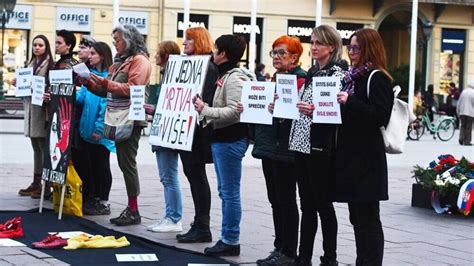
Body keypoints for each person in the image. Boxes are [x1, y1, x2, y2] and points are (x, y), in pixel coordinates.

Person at [82, 25, 152, 226]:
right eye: (113, 39)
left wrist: (105, 83)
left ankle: (134, 209)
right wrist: (89, 83)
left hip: (131, 117)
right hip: (118, 116)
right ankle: (131, 208)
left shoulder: (139, 60)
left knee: (127, 163)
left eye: (117, 40)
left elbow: (132, 89)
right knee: (124, 162)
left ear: (129, 40)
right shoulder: (122, 62)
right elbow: (108, 93)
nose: (114, 43)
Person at [336, 28, 394, 266]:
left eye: (356, 47)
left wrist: (351, 102)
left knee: (368, 217)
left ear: (369, 48)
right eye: (349, 47)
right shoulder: (352, 77)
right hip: (351, 157)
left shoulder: (377, 78)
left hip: (367, 159)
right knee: (356, 217)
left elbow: (380, 115)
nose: (351, 52)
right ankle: (363, 260)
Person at [289, 25, 345, 266]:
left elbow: (335, 112)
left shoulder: (338, 73)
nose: (313, 47)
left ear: (331, 47)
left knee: (323, 204)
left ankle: (329, 258)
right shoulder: (313, 73)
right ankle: (304, 257)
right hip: (301, 142)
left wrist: (315, 110)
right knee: (307, 205)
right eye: (312, 42)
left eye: (318, 43)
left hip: (320, 146)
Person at [194, 34, 253, 257]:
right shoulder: (226, 75)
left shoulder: (234, 78)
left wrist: (205, 110)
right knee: (226, 191)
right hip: (223, 139)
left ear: (223, 54)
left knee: (229, 193)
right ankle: (228, 237)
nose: (212, 53)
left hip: (230, 139)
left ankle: (230, 239)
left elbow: (234, 112)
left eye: (215, 49)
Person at [250, 35, 306, 265]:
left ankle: (288, 251)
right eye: (274, 53)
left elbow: (298, 111)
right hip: (270, 147)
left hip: (285, 149)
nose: (276, 57)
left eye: (281, 53)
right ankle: (279, 247)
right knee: (275, 200)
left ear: (295, 57)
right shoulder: (275, 79)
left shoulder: (300, 79)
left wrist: (281, 106)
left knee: (286, 201)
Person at [175, 27, 219, 243]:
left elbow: (206, 98)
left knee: (196, 175)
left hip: (197, 131)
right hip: (185, 128)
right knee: (192, 174)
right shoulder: (188, 65)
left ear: (199, 42)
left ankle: (203, 225)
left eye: (188, 41)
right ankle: (199, 222)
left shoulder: (208, 68)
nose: (184, 45)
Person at [145, 41, 183, 232]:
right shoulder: (167, 76)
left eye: (158, 53)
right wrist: (153, 109)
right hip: (163, 130)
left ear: (166, 55)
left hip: (168, 133)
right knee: (166, 176)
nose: (155, 57)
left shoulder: (172, 77)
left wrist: (155, 109)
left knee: (169, 176)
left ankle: (174, 217)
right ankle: (171, 216)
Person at [77, 41, 116, 215]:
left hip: (99, 131)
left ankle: (104, 200)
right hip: (87, 128)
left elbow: (105, 105)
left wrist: (99, 128)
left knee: (102, 166)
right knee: (91, 165)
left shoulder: (107, 77)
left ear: (102, 55)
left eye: (93, 53)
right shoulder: (90, 74)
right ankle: (93, 198)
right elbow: (81, 99)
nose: (89, 56)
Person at [17, 35, 54, 197]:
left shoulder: (50, 65)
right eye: (35, 45)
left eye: (40, 45)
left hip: (42, 112)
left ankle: (45, 185)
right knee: (35, 148)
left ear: (46, 48)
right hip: (32, 110)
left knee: (43, 148)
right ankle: (36, 182)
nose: (37, 48)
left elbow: (51, 87)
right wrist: (18, 83)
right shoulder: (30, 64)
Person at [457, 81, 474, 146]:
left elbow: (459, 102)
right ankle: (467, 141)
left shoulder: (463, 92)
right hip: (470, 113)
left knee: (462, 126)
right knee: (468, 127)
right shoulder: (473, 93)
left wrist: (458, 111)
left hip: (462, 112)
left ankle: (461, 138)